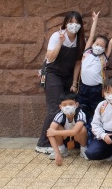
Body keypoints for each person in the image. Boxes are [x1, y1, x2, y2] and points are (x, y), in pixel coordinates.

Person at [35, 11, 85, 154]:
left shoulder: (81, 39)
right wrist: (60, 42)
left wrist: (74, 83)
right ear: (65, 23)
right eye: (71, 22)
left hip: (68, 76)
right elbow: (50, 58)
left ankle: (66, 141)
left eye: (77, 23)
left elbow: (78, 62)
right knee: (55, 108)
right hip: (53, 74)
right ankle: (43, 143)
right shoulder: (57, 36)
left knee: (70, 106)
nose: (74, 25)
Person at [75, 14, 112, 143]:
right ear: (93, 44)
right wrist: (95, 21)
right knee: (82, 112)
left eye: (102, 46)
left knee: (95, 113)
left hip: (97, 90)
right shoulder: (87, 52)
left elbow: (111, 42)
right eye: (97, 44)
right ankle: (83, 138)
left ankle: (95, 138)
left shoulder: (103, 57)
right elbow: (91, 35)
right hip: (83, 88)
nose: (99, 47)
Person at [85, 78, 112, 164]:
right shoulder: (102, 105)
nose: (111, 95)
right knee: (90, 153)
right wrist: (103, 135)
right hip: (105, 133)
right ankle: (110, 152)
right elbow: (95, 124)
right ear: (103, 93)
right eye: (107, 92)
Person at [45, 91, 88, 165]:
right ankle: (62, 149)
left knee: (82, 129)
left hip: (78, 138)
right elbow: (49, 133)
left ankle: (83, 149)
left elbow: (74, 132)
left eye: (71, 104)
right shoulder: (60, 115)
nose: (67, 107)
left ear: (76, 105)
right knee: (56, 127)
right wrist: (57, 153)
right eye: (64, 105)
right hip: (66, 139)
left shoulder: (81, 114)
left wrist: (55, 132)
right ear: (60, 107)